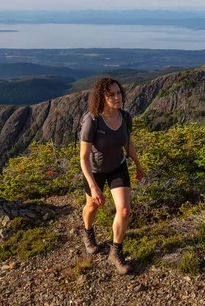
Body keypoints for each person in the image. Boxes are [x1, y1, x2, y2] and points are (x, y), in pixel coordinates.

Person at [79, 78, 144, 274]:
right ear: (102, 98)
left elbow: (128, 144)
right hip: (95, 170)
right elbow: (83, 158)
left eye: (118, 93)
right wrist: (93, 186)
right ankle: (88, 233)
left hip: (118, 166)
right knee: (92, 206)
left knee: (124, 211)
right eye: (111, 95)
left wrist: (138, 164)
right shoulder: (92, 121)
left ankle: (116, 252)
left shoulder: (125, 117)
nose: (117, 97)